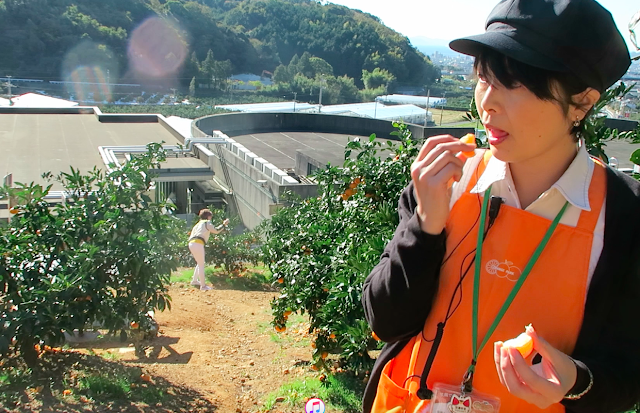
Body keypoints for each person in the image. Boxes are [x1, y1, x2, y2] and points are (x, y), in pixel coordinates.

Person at [361, 1, 639, 412]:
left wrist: (576, 381)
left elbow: (627, 373)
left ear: (581, 102)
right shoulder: (449, 180)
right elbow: (385, 321)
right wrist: (425, 225)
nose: (486, 102)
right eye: (483, 78)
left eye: (513, 84)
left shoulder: (622, 217)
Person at [188, 209, 229, 291]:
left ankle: (195, 280)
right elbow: (216, 231)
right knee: (201, 265)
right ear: (208, 216)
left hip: (191, 243)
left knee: (199, 263)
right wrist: (224, 224)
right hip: (198, 243)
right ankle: (203, 286)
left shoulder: (197, 224)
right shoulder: (207, 222)